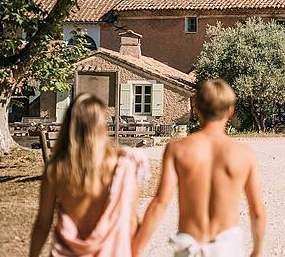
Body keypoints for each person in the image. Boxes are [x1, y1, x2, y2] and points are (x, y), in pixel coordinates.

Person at [133, 79, 265, 257]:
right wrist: (257, 250)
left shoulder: (177, 149)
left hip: (190, 246)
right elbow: (256, 210)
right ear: (230, 111)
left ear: (196, 109)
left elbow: (160, 202)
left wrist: (136, 247)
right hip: (228, 248)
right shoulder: (244, 154)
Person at [29, 93, 149, 257]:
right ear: (101, 126)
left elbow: (43, 223)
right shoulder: (122, 167)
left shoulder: (56, 169)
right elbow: (131, 220)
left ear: (69, 125)